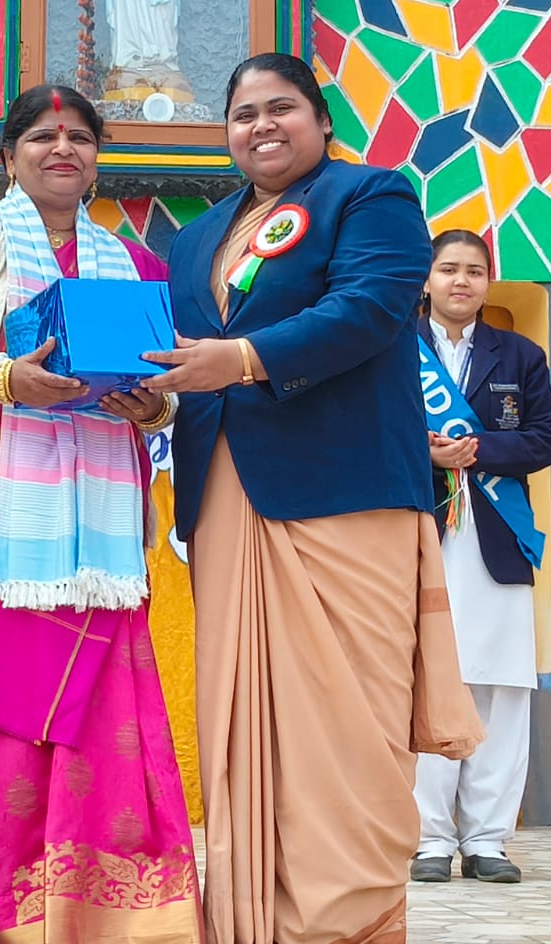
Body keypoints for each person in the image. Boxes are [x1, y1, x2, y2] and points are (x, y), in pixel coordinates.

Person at [143, 53, 482, 944]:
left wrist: (244, 360)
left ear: (322, 120)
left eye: (281, 107)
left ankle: (347, 923)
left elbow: (369, 308)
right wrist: (151, 397)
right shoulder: (195, 238)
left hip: (346, 491)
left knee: (350, 727)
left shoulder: (370, 196)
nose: (261, 125)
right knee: (246, 727)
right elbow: (184, 357)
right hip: (228, 497)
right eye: (243, 113)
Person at [0, 84, 201, 943]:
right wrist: (7, 376)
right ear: (8, 156)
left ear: (99, 157)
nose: (61, 149)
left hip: (99, 530)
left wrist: (153, 407)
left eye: (79, 138)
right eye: (41, 136)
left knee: (104, 711)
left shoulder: (132, 261)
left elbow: (166, 376)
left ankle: (104, 916)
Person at [410, 230, 551, 885]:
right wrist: (426, 451)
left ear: (488, 281)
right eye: (448, 269)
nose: (461, 281)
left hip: (498, 538)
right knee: (425, 681)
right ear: (426, 278)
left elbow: (546, 437)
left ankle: (487, 841)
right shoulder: (392, 351)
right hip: (420, 537)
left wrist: (477, 452)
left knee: (500, 687)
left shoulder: (520, 355)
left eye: (474, 271)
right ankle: (428, 839)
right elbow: (368, 434)